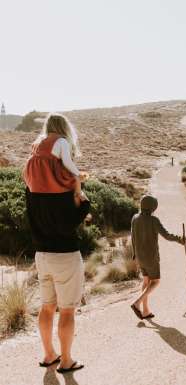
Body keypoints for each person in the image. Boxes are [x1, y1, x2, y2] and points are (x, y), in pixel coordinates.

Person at [26, 187, 90, 374]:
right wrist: (85, 202)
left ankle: (49, 355)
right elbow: (71, 221)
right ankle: (66, 360)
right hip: (65, 255)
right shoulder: (65, 185)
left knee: (47, 306)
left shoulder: (31, 183)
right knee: (67, 310)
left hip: (42, 254)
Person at [130, 195, 186, 320]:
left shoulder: (134, 218)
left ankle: (145, 311)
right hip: (151, 257)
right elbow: (166, 235)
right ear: (152, 207)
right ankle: (137, 303)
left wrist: (134, 255)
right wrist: (180, 239)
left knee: (146, 281)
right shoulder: (153, 220)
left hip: (140, 256)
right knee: (155, 281)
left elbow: (132, 237)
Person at [23, 113, 86, 206]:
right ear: (63, 126)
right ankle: (80, 208)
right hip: (51, 178)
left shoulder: (40, 140)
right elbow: (67, 162)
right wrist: (78, 173)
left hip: (34, 180)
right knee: (76, 182)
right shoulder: (61, 141)